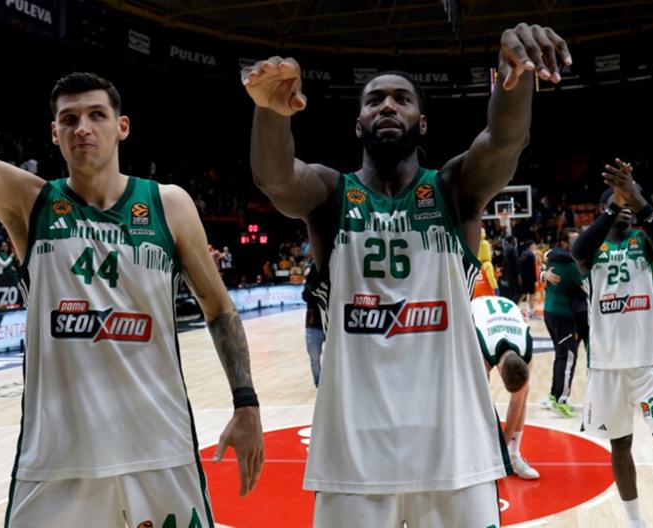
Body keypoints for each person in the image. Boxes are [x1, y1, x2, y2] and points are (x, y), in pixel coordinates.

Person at [0, 2, 264, 526]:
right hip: (56, 465)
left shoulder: (169, 205)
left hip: (160, 453)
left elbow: (220, 311)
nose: (83, 128)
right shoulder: (28, 203)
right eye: (69, 119)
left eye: (97, 115)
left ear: (122, 127)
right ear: (54, 133)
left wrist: (246, 402)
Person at [243, 22, 570, 525]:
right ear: (358, 125)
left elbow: (504, 142)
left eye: (402, 99)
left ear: (423, 123)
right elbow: (277, 179)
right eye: (374, 100)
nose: (388, 106)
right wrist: (270, 112)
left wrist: (515, 77)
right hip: (353, 457)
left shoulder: (454, 190)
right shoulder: (331, 196)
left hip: (455, 452)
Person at [573, 159, 653, 528]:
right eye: (617, 200)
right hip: (606, 367)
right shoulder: (591, 248)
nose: (625, 206)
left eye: (630, 201)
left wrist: (634, 196)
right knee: (620, 445)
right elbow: (578, 252)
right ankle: (636, 523)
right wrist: (616, 204)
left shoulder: (644, 242)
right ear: (605, 207)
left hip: (649, 362)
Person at [471, 295, 538, 480]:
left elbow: (517, 402)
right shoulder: (481, 347)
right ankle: (475, 455)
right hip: (475, 313)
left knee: (524, 393)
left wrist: (503, 452)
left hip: (506, 315)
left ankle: (513, 455)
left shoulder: (526, 349)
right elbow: (480, 403)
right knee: (476, 396)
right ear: (498, 368)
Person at [540, 227, 584, 418]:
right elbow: (589, 286)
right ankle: (561, 400)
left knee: (561, 355)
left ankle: (553, 395)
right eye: (574, 240)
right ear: (565, 243)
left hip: (550, 312)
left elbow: (544, 259)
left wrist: (543, 274)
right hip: (563, 315)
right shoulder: (572, 264)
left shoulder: (552, 257)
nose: (579, 243)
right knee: (569, 356)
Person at [302, 262, 325, 388]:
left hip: (329, 324)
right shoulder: (312, 271)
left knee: (334, 357)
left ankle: (330, 382)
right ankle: (319, 384)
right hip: (312, 324)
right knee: (314, 359)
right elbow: (305, 296)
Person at [518, 240, 538, 317]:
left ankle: (514, 306)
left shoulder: (523, 254)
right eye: (534, 245)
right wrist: (535, 279)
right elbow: (532, 269)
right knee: (532, 295)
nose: (535, 246)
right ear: (531, 246)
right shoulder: (531, 255)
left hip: (523, 278)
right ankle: (532, 312)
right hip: (530, 278)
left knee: (523, 294)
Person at [499, 235, 520, 301]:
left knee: (507, 293)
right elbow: (515, 263)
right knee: (515, 293)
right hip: (512, 274)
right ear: (512, 241)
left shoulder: (505, 249)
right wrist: (518, 274)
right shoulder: (513, 249)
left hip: (505, 274)